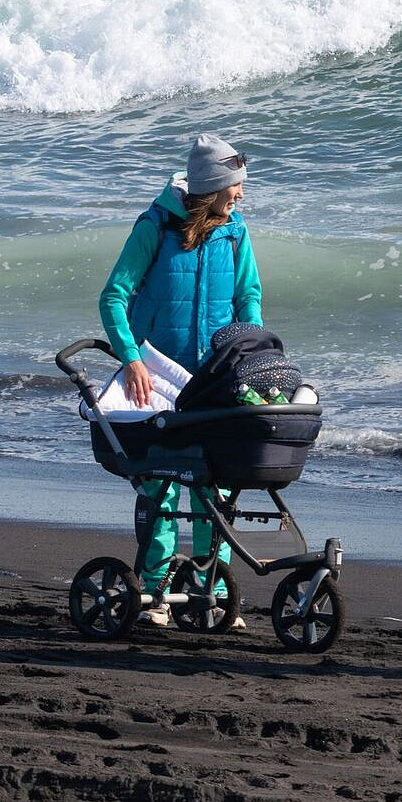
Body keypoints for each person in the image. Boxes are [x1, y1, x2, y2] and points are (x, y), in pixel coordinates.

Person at [98, 134, 263, 628]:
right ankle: (153, 593)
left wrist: (244, 348)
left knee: (217, 488)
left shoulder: (235, 232)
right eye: (234, 187)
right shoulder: (154, 227)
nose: (241, 195)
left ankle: (213, 593)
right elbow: (114, 297)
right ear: (211, 187)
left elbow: (248, 297)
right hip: (158, 381)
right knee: (161, 489)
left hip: (214, 381)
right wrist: (131, 359)